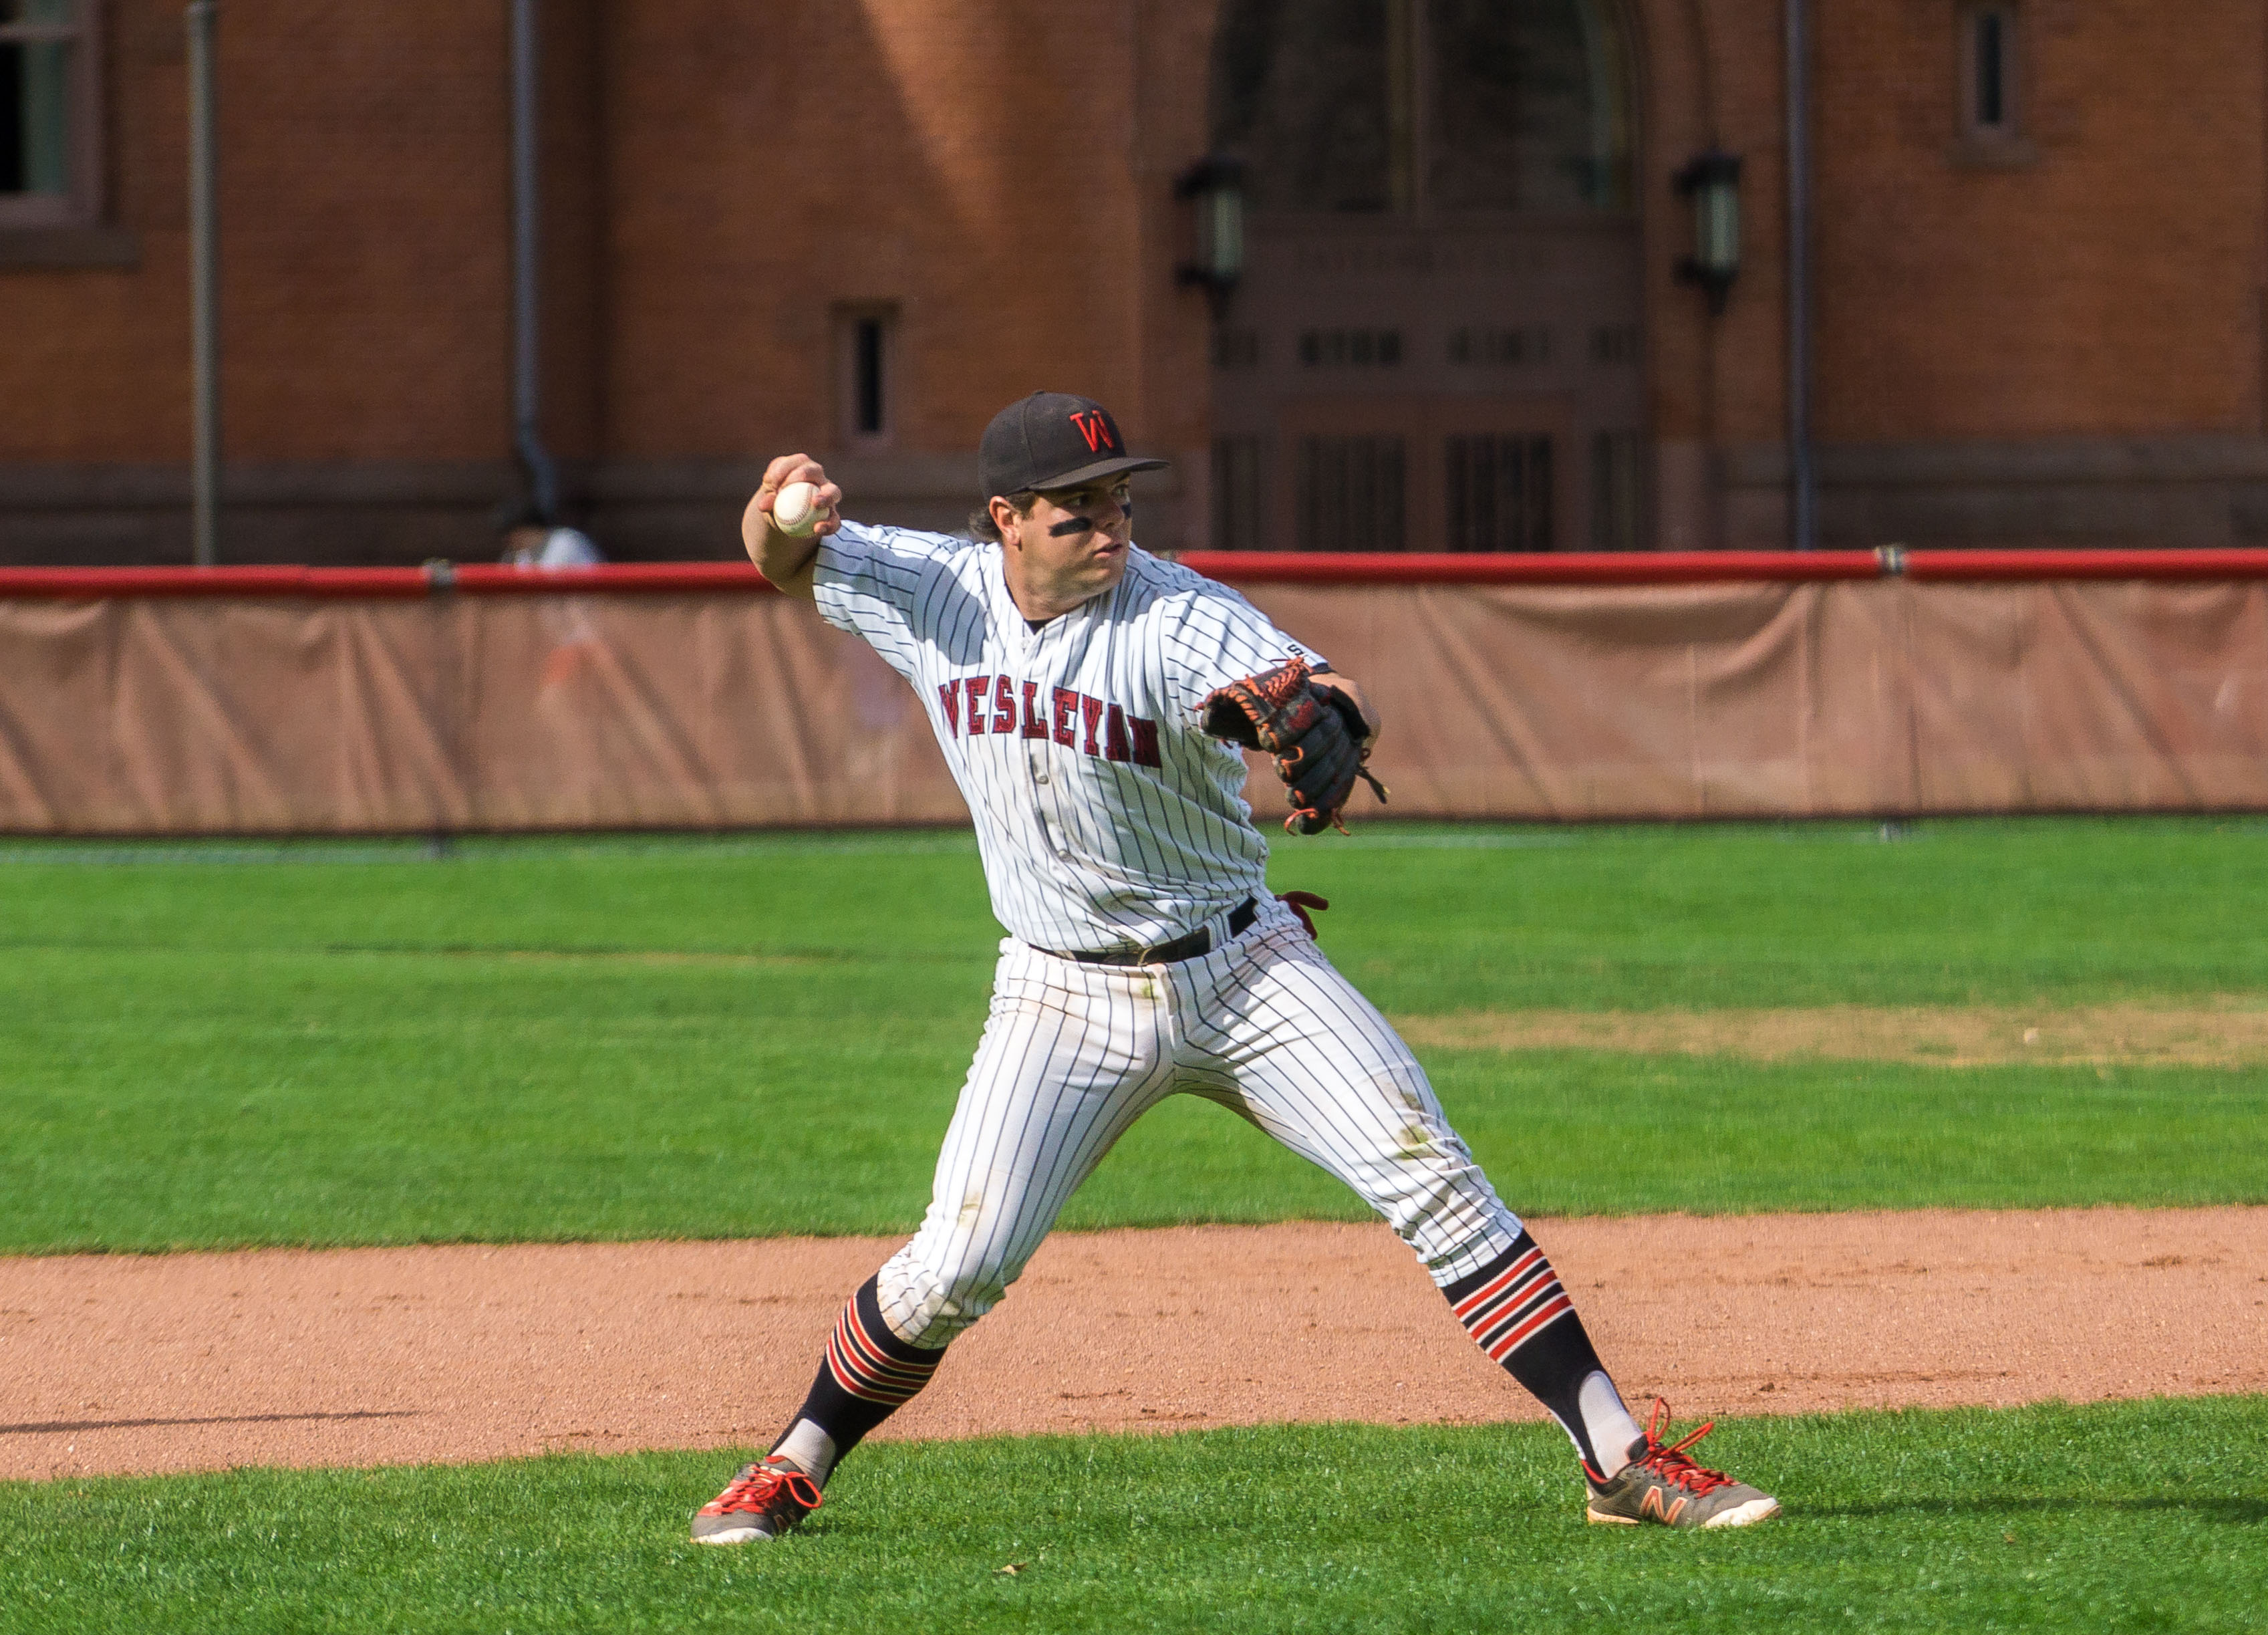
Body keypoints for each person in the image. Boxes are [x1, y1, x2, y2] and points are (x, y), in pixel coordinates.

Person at [690, 390, 1778, 1542]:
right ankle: (792, 1461)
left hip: (1245, 970)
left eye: (1120, 499)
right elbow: (783, 557)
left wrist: (1336, 717)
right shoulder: (932, 589)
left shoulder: (1177, 615)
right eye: (1077, 509)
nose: (1111, 526)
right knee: (955, 1266)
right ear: (1006, 518)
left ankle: (1619, 1459)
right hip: (1059, 992)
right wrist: (772, 508)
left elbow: (1326, 690)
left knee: (1435, 1181)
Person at [497, 501, 606, 568]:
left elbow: (594, 583)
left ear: (529, 529)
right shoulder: (518, 556)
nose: (510, 541)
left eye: (512, 535)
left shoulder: (567, 543)